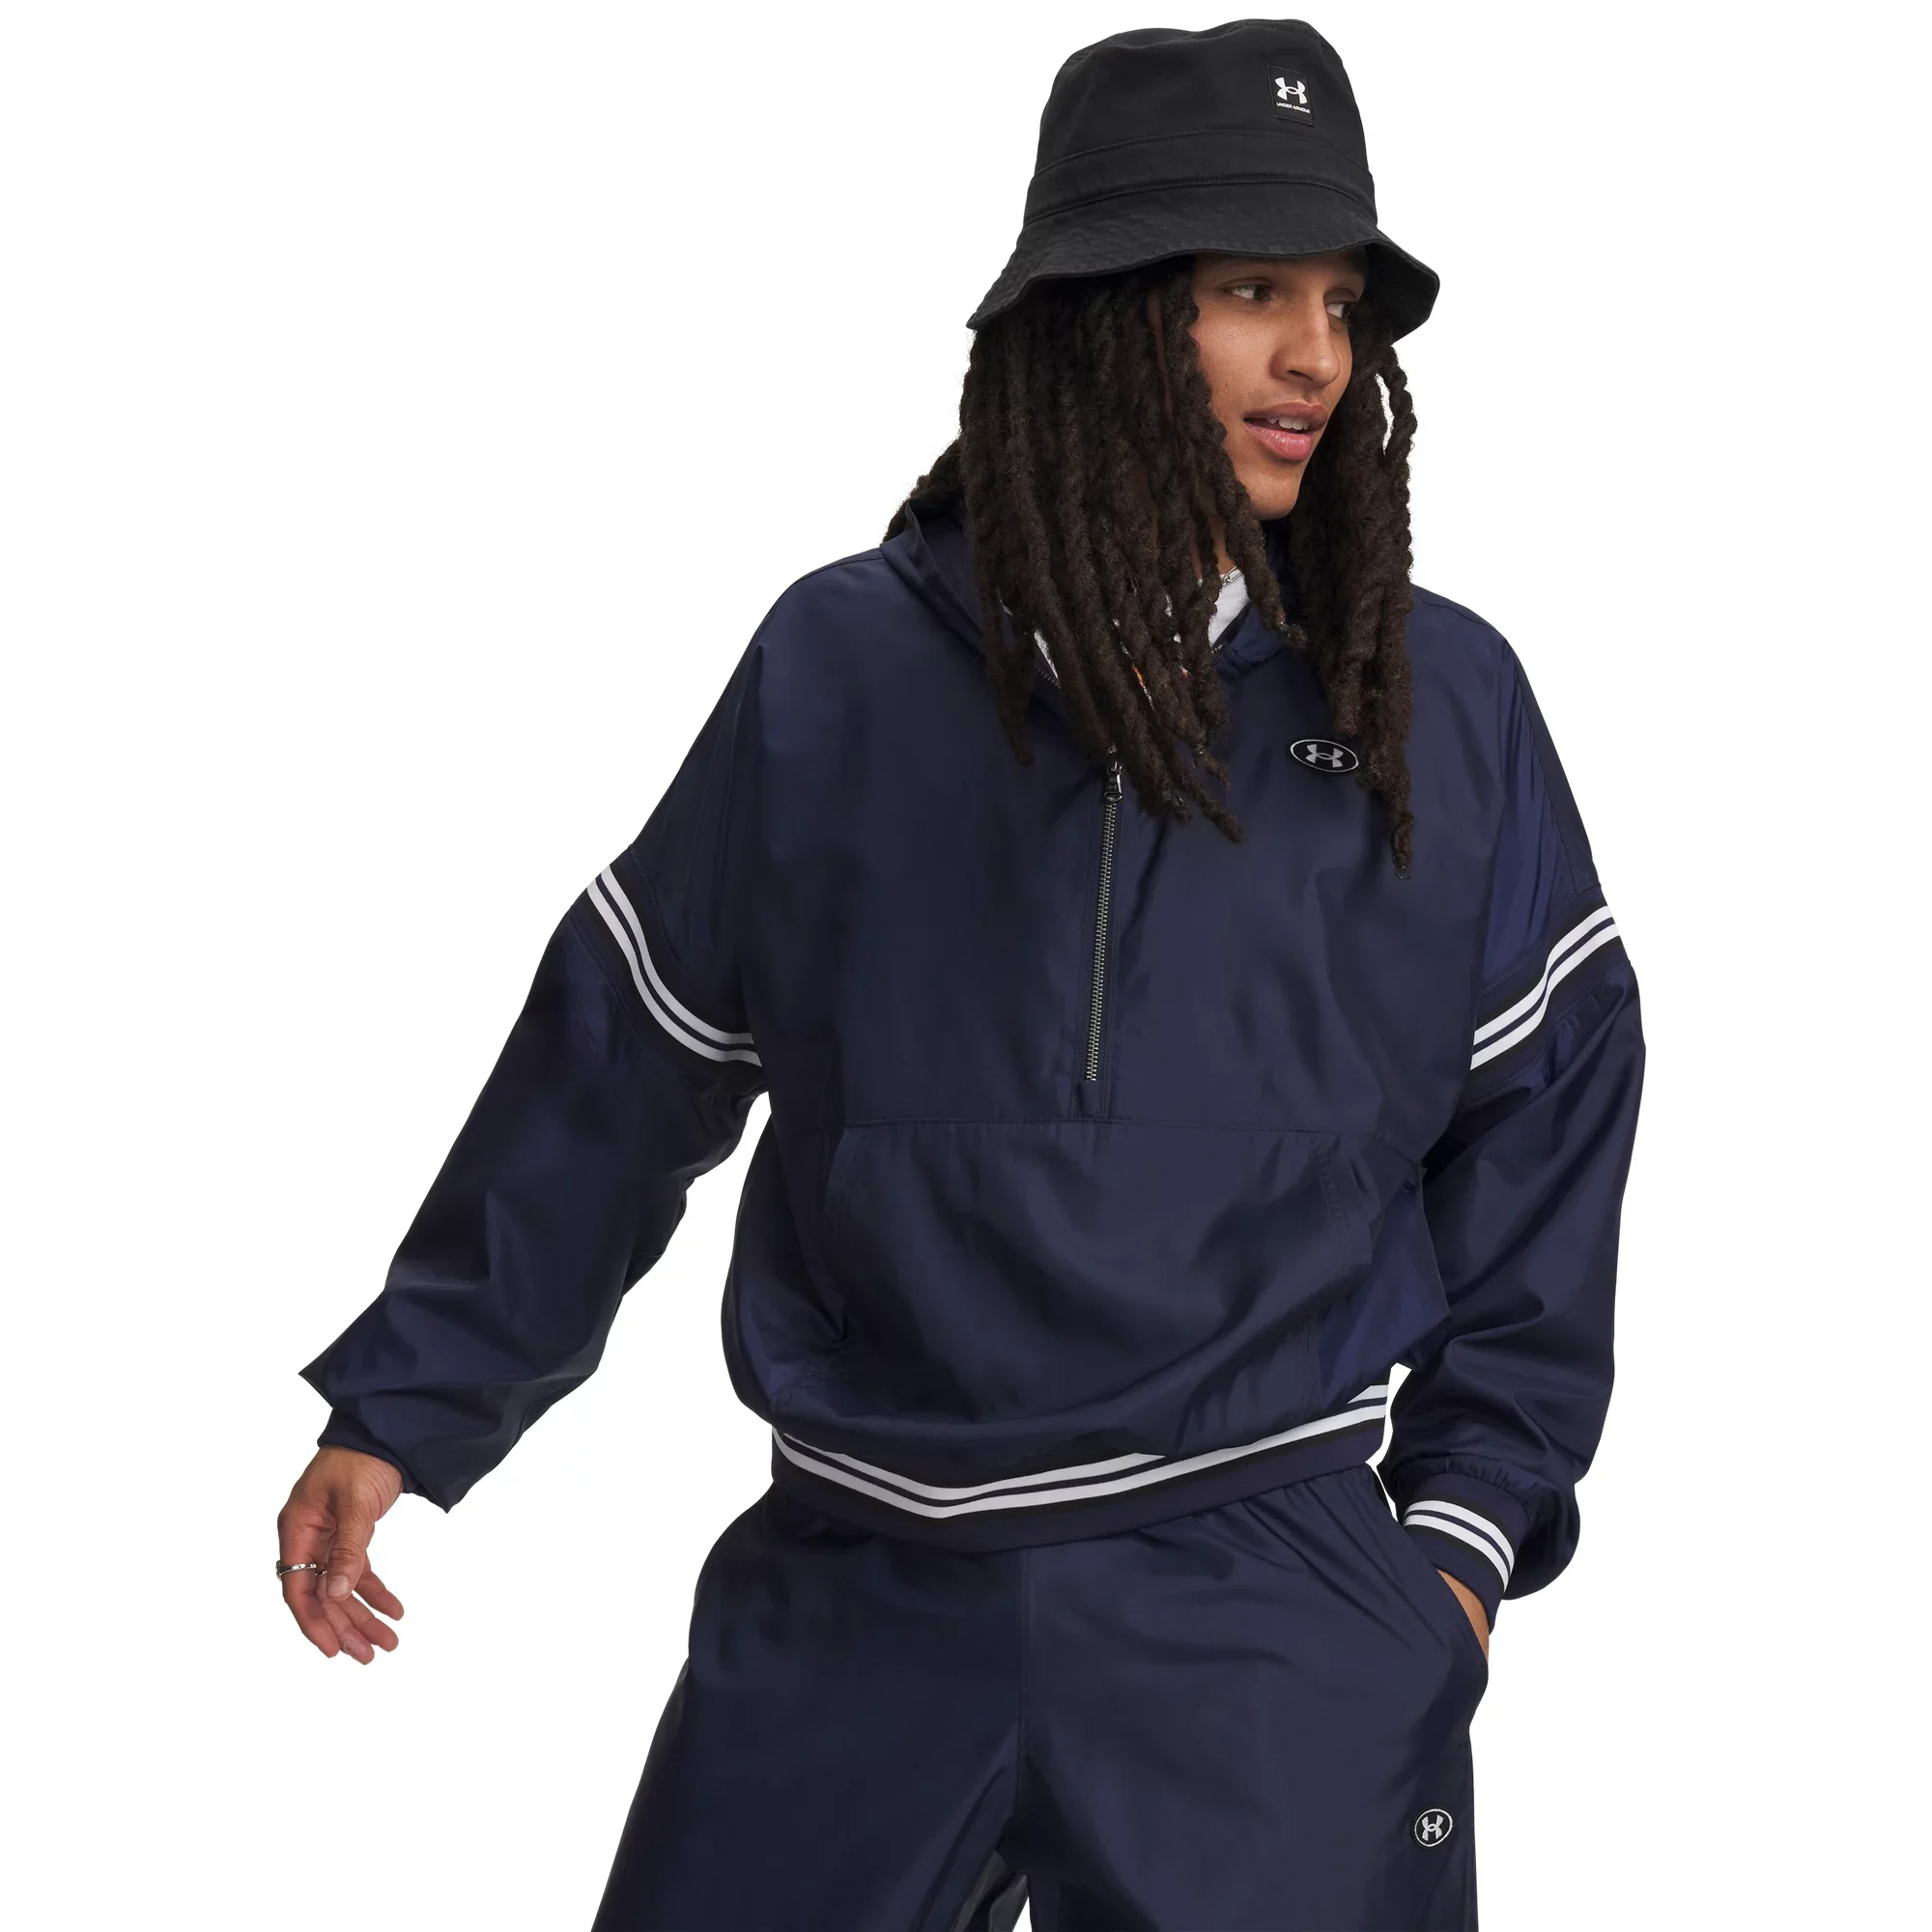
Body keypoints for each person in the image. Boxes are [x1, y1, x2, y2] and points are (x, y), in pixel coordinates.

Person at [278, 19, 1645, 1929]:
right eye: (1252, 292)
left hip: (1266, 1611)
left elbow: (1549, 1129)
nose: (1316, 358)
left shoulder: (1437, 704)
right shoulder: (843, 668)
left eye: (1340, 304)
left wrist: (1460, 1546)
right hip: (858, 1581)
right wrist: (404, 1406)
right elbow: (628, 1057)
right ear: (1100, 316)